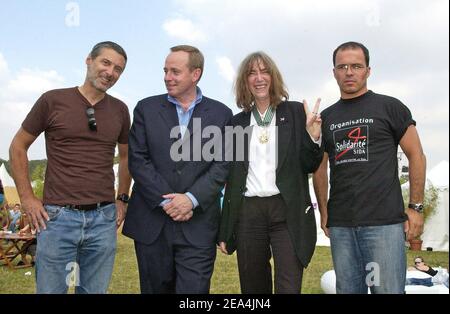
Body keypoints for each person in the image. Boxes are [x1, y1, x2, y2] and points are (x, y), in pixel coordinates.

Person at [9, 41, 132, 294]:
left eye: (118, 69)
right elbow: (18, 147)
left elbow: (127, 156)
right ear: (89, 60)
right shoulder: (52, 100)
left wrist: (122, 198)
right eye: (105, 63)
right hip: (57, 218)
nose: (111, 72)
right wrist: (26, 197)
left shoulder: (120, 109)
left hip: (103, 219)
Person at [313, 41, 427, 294]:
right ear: (334, 72)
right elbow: (319, 168)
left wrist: (416, 208)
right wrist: (324, 211)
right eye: (342, 67)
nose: (349, 72)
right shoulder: (327, 117)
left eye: (356, 66)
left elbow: (416, 155)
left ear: (368, 70)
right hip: (341, 225)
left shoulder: (390, 107)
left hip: (384, 224)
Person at [122, 45, 233, 294]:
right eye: (165, 71)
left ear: (196, 74)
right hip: (153, 225)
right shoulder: (145, 109)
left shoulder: (221, 114)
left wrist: (191, 200)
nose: (167, 77)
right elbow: (138, 160)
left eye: (175, 71)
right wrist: (169, 202)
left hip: (199, 226)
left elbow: (223, 164)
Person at [218, 51, 323, 294]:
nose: (259, 78)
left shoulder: (297, 113)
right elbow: (231, 178)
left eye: (264, 71)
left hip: (286, 211)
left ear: (273, 77)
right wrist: (225, 228)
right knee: (253, 287)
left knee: (288, 285)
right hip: (248, 212)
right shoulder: (237, 123)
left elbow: (310, 164)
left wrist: (312, 136)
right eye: (251, 73)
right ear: (245, 82)